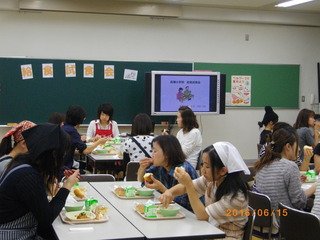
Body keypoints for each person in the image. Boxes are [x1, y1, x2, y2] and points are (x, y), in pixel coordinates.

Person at [0, 123, 80, 239]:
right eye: (63, 153)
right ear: (53, 154)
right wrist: (66, 186)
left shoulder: (21, 164)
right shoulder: (27, 175)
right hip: (11, 234)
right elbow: (46, 219)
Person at [158, 142, 250, 240]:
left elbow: (202, 215)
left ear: (223, 170)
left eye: (207, 167)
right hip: (210, 230)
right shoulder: (212, 180)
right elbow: (184, 188)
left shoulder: (236, 197)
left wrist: (188, 184)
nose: (203, 170)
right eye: (202, 165)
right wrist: (169, 192)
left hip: (227, 236)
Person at [254, 125, 316, 234]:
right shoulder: (290, 166)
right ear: (288, 147)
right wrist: (315, 186)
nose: (300, 148)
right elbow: (299, 202)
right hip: (286, 222)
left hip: (265, 223)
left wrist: (297, 181)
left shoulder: (263, 164)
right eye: (297, 145)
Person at [137, 135, 200, 211]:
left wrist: (161, 187)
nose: (152, 155)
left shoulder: (183, 170)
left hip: (190, 215)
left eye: (155, 151)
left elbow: (182, 204)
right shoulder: (161, 166)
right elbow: (142, 181)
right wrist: (142, 168)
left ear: (166, 153)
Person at [62, 105, 108, 170]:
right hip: (66, 167)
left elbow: (69, 150)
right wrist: (99, 141)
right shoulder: (72, 132)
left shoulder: (63, 128)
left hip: (60, 164)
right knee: (89, 167)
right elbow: (86, 151)